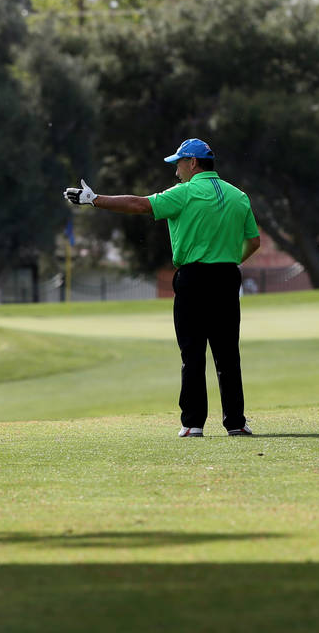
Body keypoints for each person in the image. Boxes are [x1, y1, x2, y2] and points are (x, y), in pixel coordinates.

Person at [64, 138, 261, 437]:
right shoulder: (239, 196)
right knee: (227, 353)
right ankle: (235, 422)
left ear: (193, 163)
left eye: (179, 163)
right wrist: (231, 260)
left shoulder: (184, 193)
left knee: (192, 352)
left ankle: (193, 423)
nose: (176, 170)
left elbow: (140, 204)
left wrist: (95, 199)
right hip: (226, 278)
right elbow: (254, 241)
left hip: (193, 279)